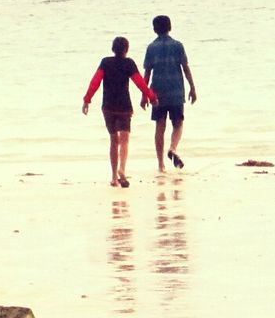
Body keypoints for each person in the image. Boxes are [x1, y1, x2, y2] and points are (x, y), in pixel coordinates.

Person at [82, 36, 158, 188]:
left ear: (112, 49)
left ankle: (113, 178)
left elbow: (95, 81)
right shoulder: (128, 63)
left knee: (113, 140)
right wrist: (151, 97)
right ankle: (122, 169)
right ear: (126, 49)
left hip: (108, 107)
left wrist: (87, 99)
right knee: (124, 140)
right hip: (124, 106)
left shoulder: (105, 62)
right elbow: (140, 82)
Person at [141, 15, 197, 172]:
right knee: (178, 123)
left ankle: (160, 165)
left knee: (160, 125)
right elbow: (185, 68)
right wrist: (192, 87)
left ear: (154, 29)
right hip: (176, 90)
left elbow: (147, 73)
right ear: (170, 27)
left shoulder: (151, 47)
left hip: (157, 92)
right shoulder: (178, 45)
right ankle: (172, 148)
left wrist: (144, 94)